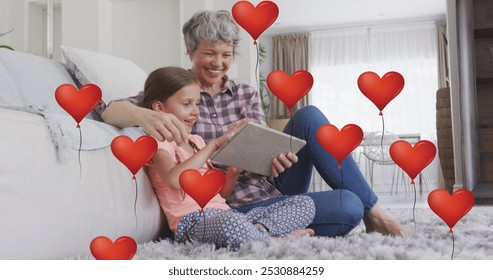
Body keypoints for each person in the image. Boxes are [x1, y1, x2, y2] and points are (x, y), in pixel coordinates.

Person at [98, 10, 407, 236]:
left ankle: (375, 213)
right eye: (209, 53)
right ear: (190, 51)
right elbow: (107, 110)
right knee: (347, 205)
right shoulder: (174, 95)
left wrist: (277, 156)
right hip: (225, 205)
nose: (218, 63)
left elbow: (260, 144)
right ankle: (270, 230)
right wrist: (144, 115)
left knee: (309, 117)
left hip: (269, 185)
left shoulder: (245, 92)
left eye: (226, 54)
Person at [143, 66, 316, 248]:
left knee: (304, 203)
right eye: (187, 104)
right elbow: (173, 180)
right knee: (231, 224)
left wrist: (233, 172)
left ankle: (258, 233)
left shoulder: (196, 141)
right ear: (159, 107)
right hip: (192, 225)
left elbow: (221, 195)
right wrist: (213, 145)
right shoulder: (159, 141)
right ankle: (272, 240)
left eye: (197, 103)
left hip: (228, 214)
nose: (196, 112)